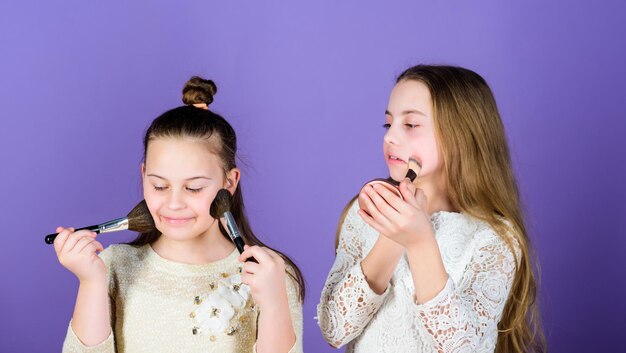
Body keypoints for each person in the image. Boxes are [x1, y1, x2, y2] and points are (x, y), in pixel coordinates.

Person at [53, 76, 304, 353]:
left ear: (229, 183)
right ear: (143, 175)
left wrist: (273, 303)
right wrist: (91, 282)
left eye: (193, 188)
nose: (173, 203)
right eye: (159, 185)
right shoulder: (115, 266)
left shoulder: (268, 273)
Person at [317, 65, 545, 353]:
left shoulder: (494, 237)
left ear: (461, 136)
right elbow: (334, 330)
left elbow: (463, 348)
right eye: (389, 124)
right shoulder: (368, 212)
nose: (390, 137)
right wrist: (392, 235)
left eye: (410, 125)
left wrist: (420, 242)